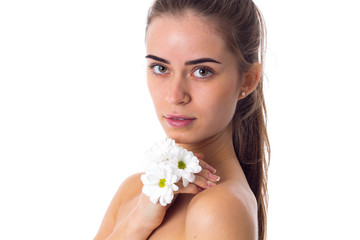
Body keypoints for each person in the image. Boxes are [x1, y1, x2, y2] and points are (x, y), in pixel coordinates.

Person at [94, 0, 270, 239]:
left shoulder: (217, 208)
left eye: (202, 71)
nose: (174, 96)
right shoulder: (135, 192)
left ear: (248, 81)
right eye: (160, 68)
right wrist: (137, 222)